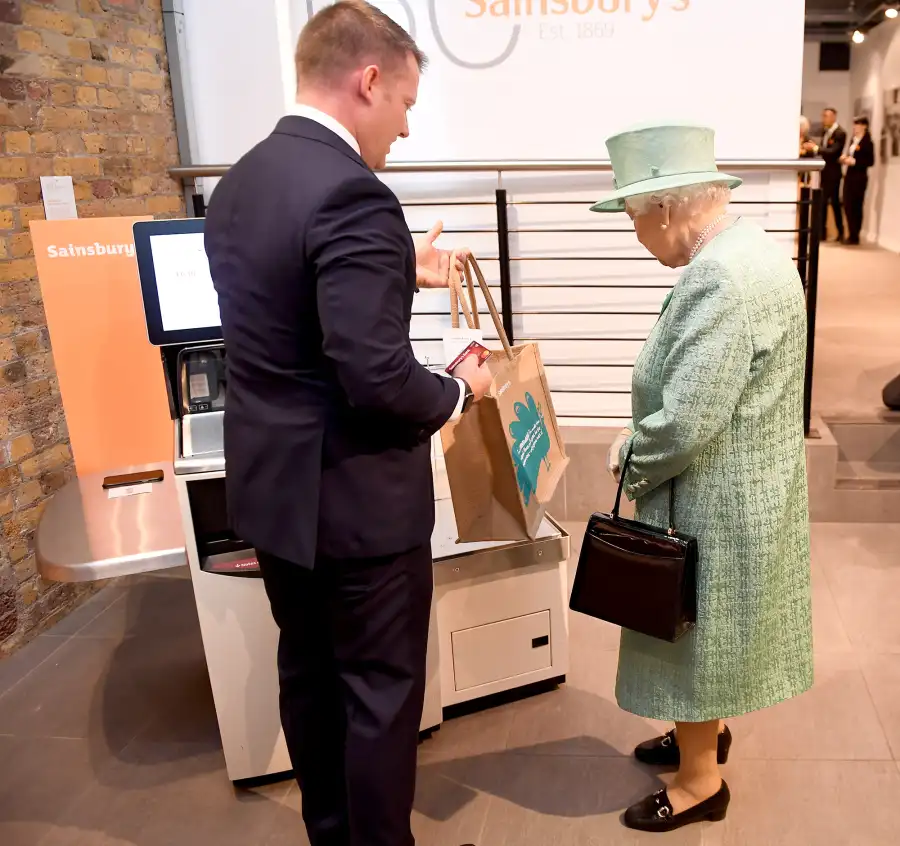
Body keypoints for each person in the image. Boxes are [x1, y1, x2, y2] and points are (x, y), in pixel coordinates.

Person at [203, 3, 490, 845]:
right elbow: (373, 375)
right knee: (377, 696)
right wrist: (456, 391)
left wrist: (400, 269)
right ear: (368, 81)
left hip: (275, 497)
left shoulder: (241, 182)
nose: (403, 129)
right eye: (402, 103)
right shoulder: (356, 193)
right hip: (359, 508)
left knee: (311, 680)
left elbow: (292, 300)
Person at [593, 122, 814, 833]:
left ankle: (697, 784)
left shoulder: (719, 278)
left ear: (664, 207)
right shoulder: (753, 253)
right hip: (748, 486)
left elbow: (687, 421)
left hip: (714, 500)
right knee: (697, 632)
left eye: (632, 217)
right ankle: (699, 733)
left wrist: (630, 454)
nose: (634, 234)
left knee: (691, 631)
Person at [802, 107, 846, 241]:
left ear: (834, 117)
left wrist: (815, 148)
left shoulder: (840, 133)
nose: (824, 119)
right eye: (823, 116)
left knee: (834, 203)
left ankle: (840, 232)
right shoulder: (825, 131)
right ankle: (822, 233)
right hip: (824, 173)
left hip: (833, 174)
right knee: (822, 203)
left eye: (826, 116)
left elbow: (833, 152)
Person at [841, 116, 875, 245]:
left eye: (857, 125)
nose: (854, 127)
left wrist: (854, 161)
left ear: (864, 126)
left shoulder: (868, 143)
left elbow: (870, 161)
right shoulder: (853, 140)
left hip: (859, 178)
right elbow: (851, 155)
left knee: (856, 206)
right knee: (847, 204)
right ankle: (851, 232)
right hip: (849, 176)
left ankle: (855, 235)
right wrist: (846, 158)